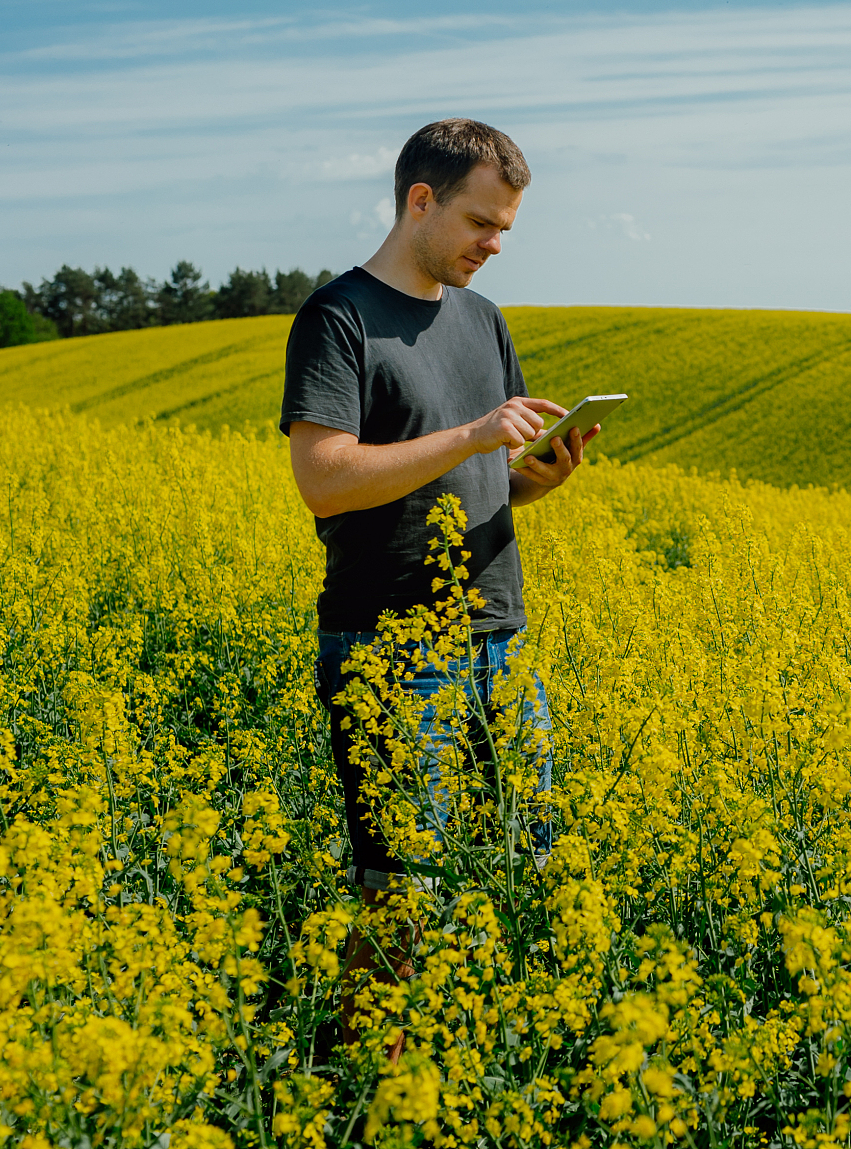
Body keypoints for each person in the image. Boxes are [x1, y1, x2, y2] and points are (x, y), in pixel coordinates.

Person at [279, 117, 598, 1043]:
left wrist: (531, 479)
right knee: (403, 896)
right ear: (421, 200)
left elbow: (471, 477)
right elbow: (324, 478)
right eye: (481, 223)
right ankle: (360, 1077)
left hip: (500, 637)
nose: (495, 245)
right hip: (392, 650)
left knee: (524, 869)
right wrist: (472, 435)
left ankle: (467, 1067)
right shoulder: (339, 318)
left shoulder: (483, 320)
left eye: (506, 229)